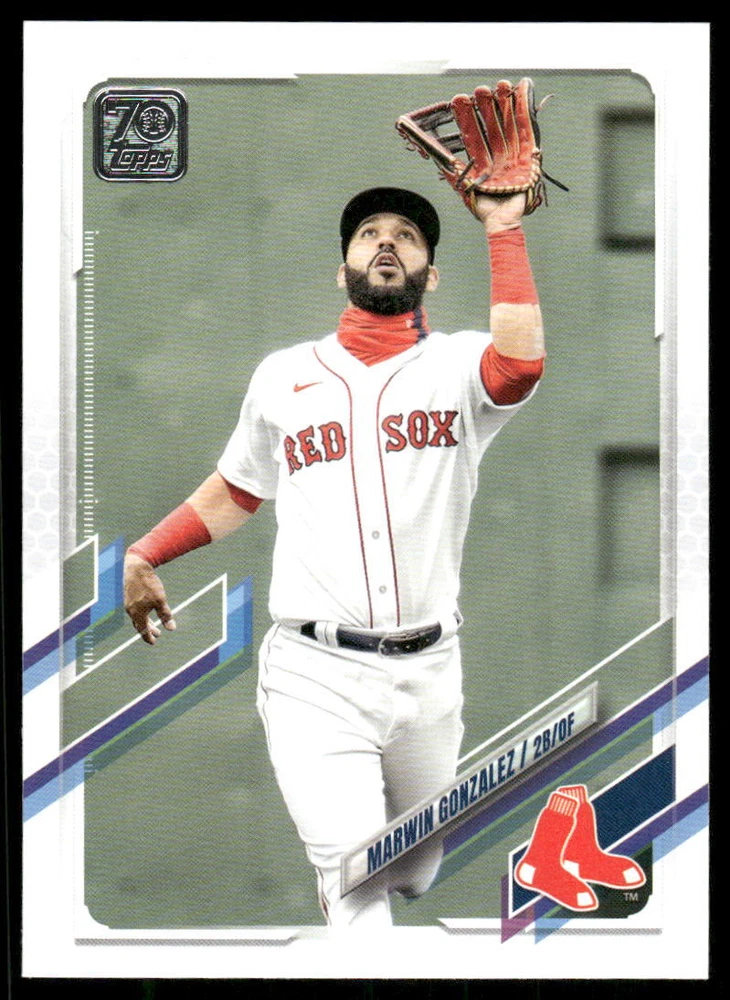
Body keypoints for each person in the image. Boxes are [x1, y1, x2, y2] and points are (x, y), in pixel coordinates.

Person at [124, 184, 546, 929]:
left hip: (429, 670)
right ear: (342, 267)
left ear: (431, 275)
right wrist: (148, 552)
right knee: (358, 885)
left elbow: (519, 366)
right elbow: (239, 488)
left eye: (407, 235)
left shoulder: (458, 366)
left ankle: (388, 870)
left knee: (414, 870)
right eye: (369, 233)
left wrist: (504, 229)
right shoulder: (283, 376)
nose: (386, 242)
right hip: (314, 672)